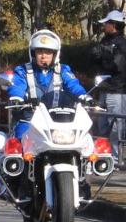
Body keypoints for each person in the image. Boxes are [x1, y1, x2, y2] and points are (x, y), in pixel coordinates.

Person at [7, 29, 92, 140]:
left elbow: (73, 85)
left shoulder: (63, 70)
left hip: (59, 121)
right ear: (33, 54)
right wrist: (17, 98)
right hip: (30, 120)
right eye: (39, 52)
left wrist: (84, 96)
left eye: (48, 52)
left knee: (84, 142)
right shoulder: (22, 71)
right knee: (22, 141)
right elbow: (17, 85)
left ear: (55, 55)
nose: (43, 56)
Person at [91, 10, 126, 163]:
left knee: (116, 125)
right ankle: (102, 155)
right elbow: (96, 59)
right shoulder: (105, 41)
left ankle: (116, 158)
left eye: (107, 23)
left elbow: (116, 66)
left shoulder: (122, 44)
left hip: (117, 91)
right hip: (103, 89)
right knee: (101, 124)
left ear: (114, 25)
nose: (104, 26)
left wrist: (105, 54)